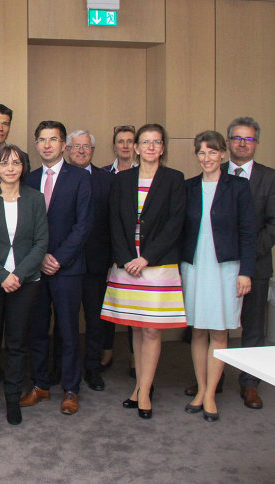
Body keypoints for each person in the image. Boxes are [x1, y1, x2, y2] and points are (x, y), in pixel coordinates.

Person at [101, 123, 187, 420]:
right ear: (136, 147)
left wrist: (146, 257)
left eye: (157, 142)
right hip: (127, 265)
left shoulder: (175, 179)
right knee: (135, 327)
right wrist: (127, 258)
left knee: (151, 329)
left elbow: (175, 224)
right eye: (145, 142)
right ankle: (138, 387)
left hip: (157, 265)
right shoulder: (122, 180)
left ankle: (146, 391)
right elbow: (114, 221)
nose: (151, 147)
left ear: (163, 148)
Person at [181, 130, 255, 422]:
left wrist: (246, 271)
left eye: (213, 152)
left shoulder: (238, 187)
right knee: (198, 330)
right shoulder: (188, 187)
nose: (207, 158)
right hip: (194, 267)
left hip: (226, 268)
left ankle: (211, 393)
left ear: (223, 154)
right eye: (202, 152)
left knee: (219, 331)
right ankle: (200, 389)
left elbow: (248, 233)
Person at [0, 144, 47, 425]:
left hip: (26, 282)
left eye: (16, 162)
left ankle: (13, 400)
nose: (11, 168)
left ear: (23, 167)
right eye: (4, 163)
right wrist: (2, 275)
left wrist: (19, 275)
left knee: (16, 344)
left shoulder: (35, 199)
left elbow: (41, 243)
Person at [22, 121, 92, 416]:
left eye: (53, 139)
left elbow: (83, 225)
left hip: (68, 268)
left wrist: (57, 258)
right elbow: (23, 226)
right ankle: (40, 385)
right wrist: (40, 257)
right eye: (42, 139)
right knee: (37, 330)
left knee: (67, 331)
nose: (47, 144)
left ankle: (71, 389)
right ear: (36, 144)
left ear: (64, 145)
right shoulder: (29, 178)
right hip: (36, 269)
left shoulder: (80, 178)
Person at [224, 117, 275, 410]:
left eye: (249, 139)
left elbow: (273, 224)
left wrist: (245, 252)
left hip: (255, 264)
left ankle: (250, 385)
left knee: (253, 328)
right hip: (218, 266)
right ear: (228, 142)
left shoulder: (270, 178)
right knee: (214, 326)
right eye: (237, 138)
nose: (242, 144)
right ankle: (212, 381)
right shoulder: (214, 172)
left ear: (256, 143)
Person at [64, 130, 114, 392]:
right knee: (65, 321)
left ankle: (92, 368)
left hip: (96, 263)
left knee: (95, 320)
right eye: (76, 146)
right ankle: (62, 368)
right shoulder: (56, 177)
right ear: (67, 149)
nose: (81, 151)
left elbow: (114, 222)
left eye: (86, 146)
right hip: (65, 264)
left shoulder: (107, 180)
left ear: (93, 150)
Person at [101, 124, 139, 373]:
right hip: (107, 247)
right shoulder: (104, 174)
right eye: (120, 141)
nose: (124, 145)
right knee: (107, 303)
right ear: (114, 146)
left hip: (136, 251)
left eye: (129, 141)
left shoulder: (146, 174)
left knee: (136, 307)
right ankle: (107, 350)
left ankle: (137, 356)